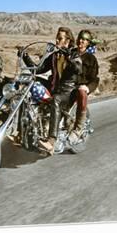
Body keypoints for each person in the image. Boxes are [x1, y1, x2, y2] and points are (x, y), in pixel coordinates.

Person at [20, 27, 82, 155]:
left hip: (67, 91)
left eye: (60, 38)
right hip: (54, 87)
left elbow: (77, 68)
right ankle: (21, 131)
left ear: (68, 41)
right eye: (56, 38)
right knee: (28, 82)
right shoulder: (54, 55)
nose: (57, 40)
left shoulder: (74, 54)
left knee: (56, 100)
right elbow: (38, 69)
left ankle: (51, 141)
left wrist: (68, 56)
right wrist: (25, 56)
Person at [68, 29, 100, 143]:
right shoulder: (71, 52)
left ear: (88, 43)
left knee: (81, 93)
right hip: (67, 85)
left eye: (85, 40)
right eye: (80, 38)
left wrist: (87, 87)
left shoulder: (91, 59)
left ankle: (78, 129)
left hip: (80, 87)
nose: (81, 41)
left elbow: (95, 79)